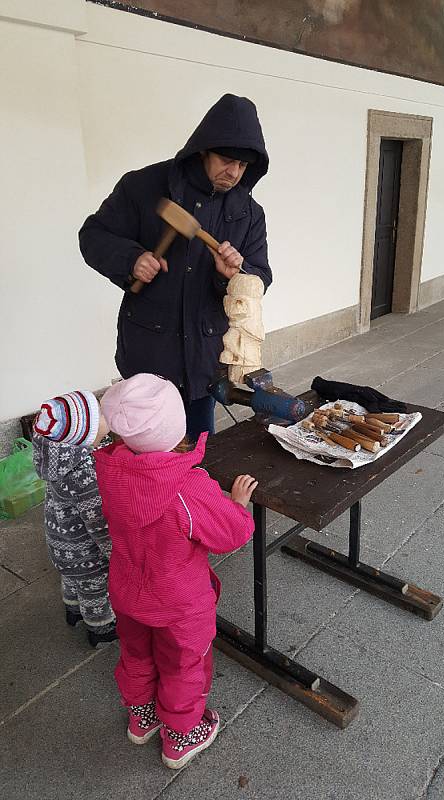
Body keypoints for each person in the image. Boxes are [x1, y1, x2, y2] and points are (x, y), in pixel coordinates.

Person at [79, 93, 272, 440]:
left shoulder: (249, 212)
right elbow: (92, 236)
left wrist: (231, 277)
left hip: (204, 358)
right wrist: (132, 259)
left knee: (199, 454)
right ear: (203, 149)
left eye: (243, 166)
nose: (234, 173)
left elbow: (260, 276)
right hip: (149, 355)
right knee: (142, 458)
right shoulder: (142, 187)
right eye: (227, 160)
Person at [94, 373, 258, 769]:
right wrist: (236, 505)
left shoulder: (110, 471)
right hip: (179, 605)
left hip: (129, 593)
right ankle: (181, 737)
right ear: (176, 427)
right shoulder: (188, 486)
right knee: (183, 665)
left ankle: (142, 717)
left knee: (136, 653)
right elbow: (232, 534)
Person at [32, 390, 117, 647]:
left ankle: (72, 609)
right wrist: (115, 553)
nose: (106, 415)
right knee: (94, 590)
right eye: (100, 414)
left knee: (71, 579)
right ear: (84, 434)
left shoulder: (59, 462)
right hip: (85, 553)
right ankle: (100, 628)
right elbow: (98, 523)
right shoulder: (84, 475)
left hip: (62, 543)